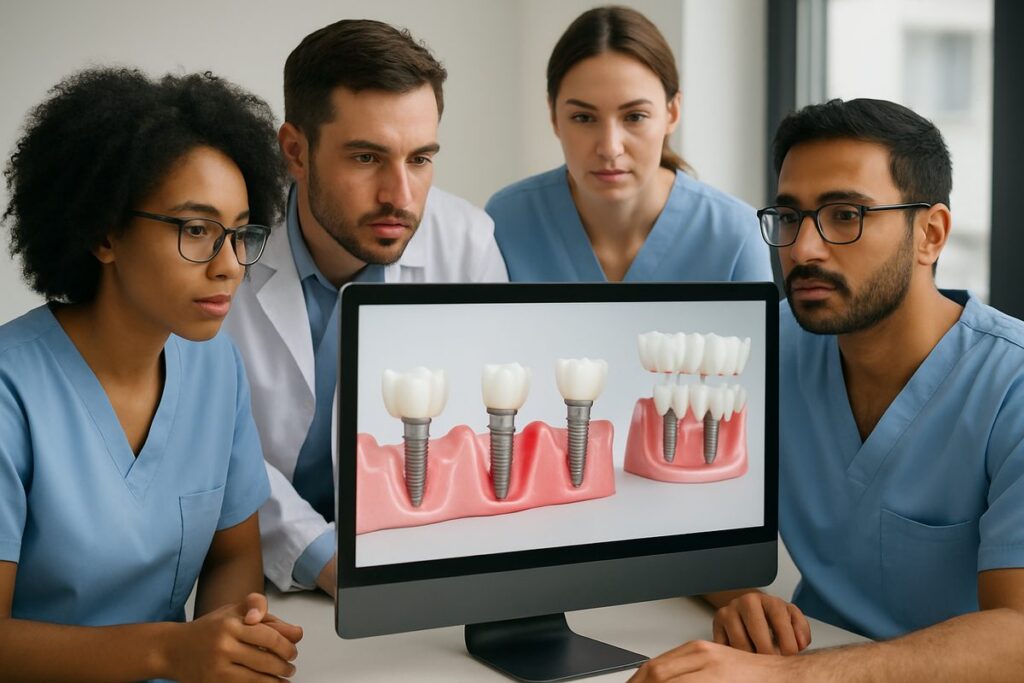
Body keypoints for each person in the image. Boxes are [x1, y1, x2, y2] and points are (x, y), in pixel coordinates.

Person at [630, 99, 1024, 681]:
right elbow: (687, 523)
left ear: (930, 234)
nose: (804, 249)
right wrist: (741, 598)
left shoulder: (1011, 385)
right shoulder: (766, 350)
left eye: (845, 215)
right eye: (790, 217)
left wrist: (782, 679)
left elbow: (1018, 634)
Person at [0, 68, 303, 681]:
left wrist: (234, 647)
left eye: (240, 234)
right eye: (197, 230)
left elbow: (232, 558)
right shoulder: (12, 390)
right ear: (104, 233)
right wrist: (172, 651)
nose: (229, 266)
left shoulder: (217, 369)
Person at [225, 19, 508, 596]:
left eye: (420, 159)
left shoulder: (467, 244)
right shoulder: (225, 249)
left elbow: (485, 426)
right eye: (366, 158)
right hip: (252, 571)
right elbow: (215, 443)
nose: (400, 197)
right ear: (295, 151)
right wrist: (323, 557)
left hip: (416, 559)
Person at [485, 6, 771, 284]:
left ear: (672, 113)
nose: (610, 148)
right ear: (554, 117)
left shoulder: (737, 237)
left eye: (635, 117)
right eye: (583, 117)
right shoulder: (506, 222)